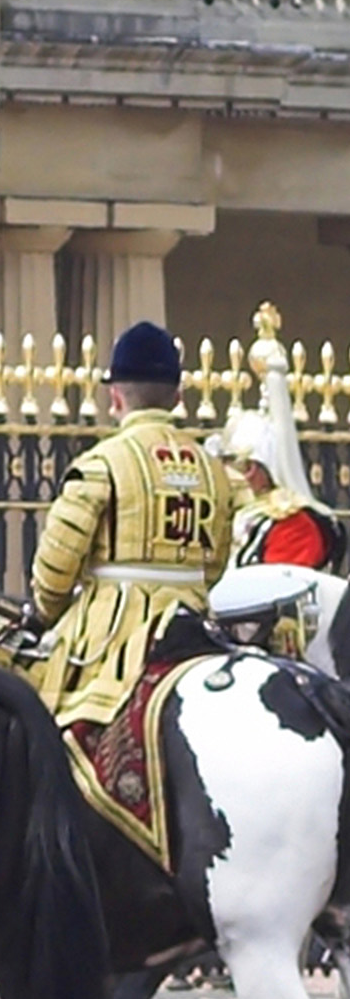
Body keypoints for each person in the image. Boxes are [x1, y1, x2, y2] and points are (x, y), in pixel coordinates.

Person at [26, 322, 236, 730]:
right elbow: (215, 564)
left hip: (112, 640)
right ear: (177, 398)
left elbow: (56, 567)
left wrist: (46, 612)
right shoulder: (214, 471)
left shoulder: (100, 464)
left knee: (46, 728)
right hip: (195, 624)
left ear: (115, 397)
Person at [211, 311, 342, 571]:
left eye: (230, 463)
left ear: (252, 468)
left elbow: (278, 587)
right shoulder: (224, 514)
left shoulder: (293, 525)